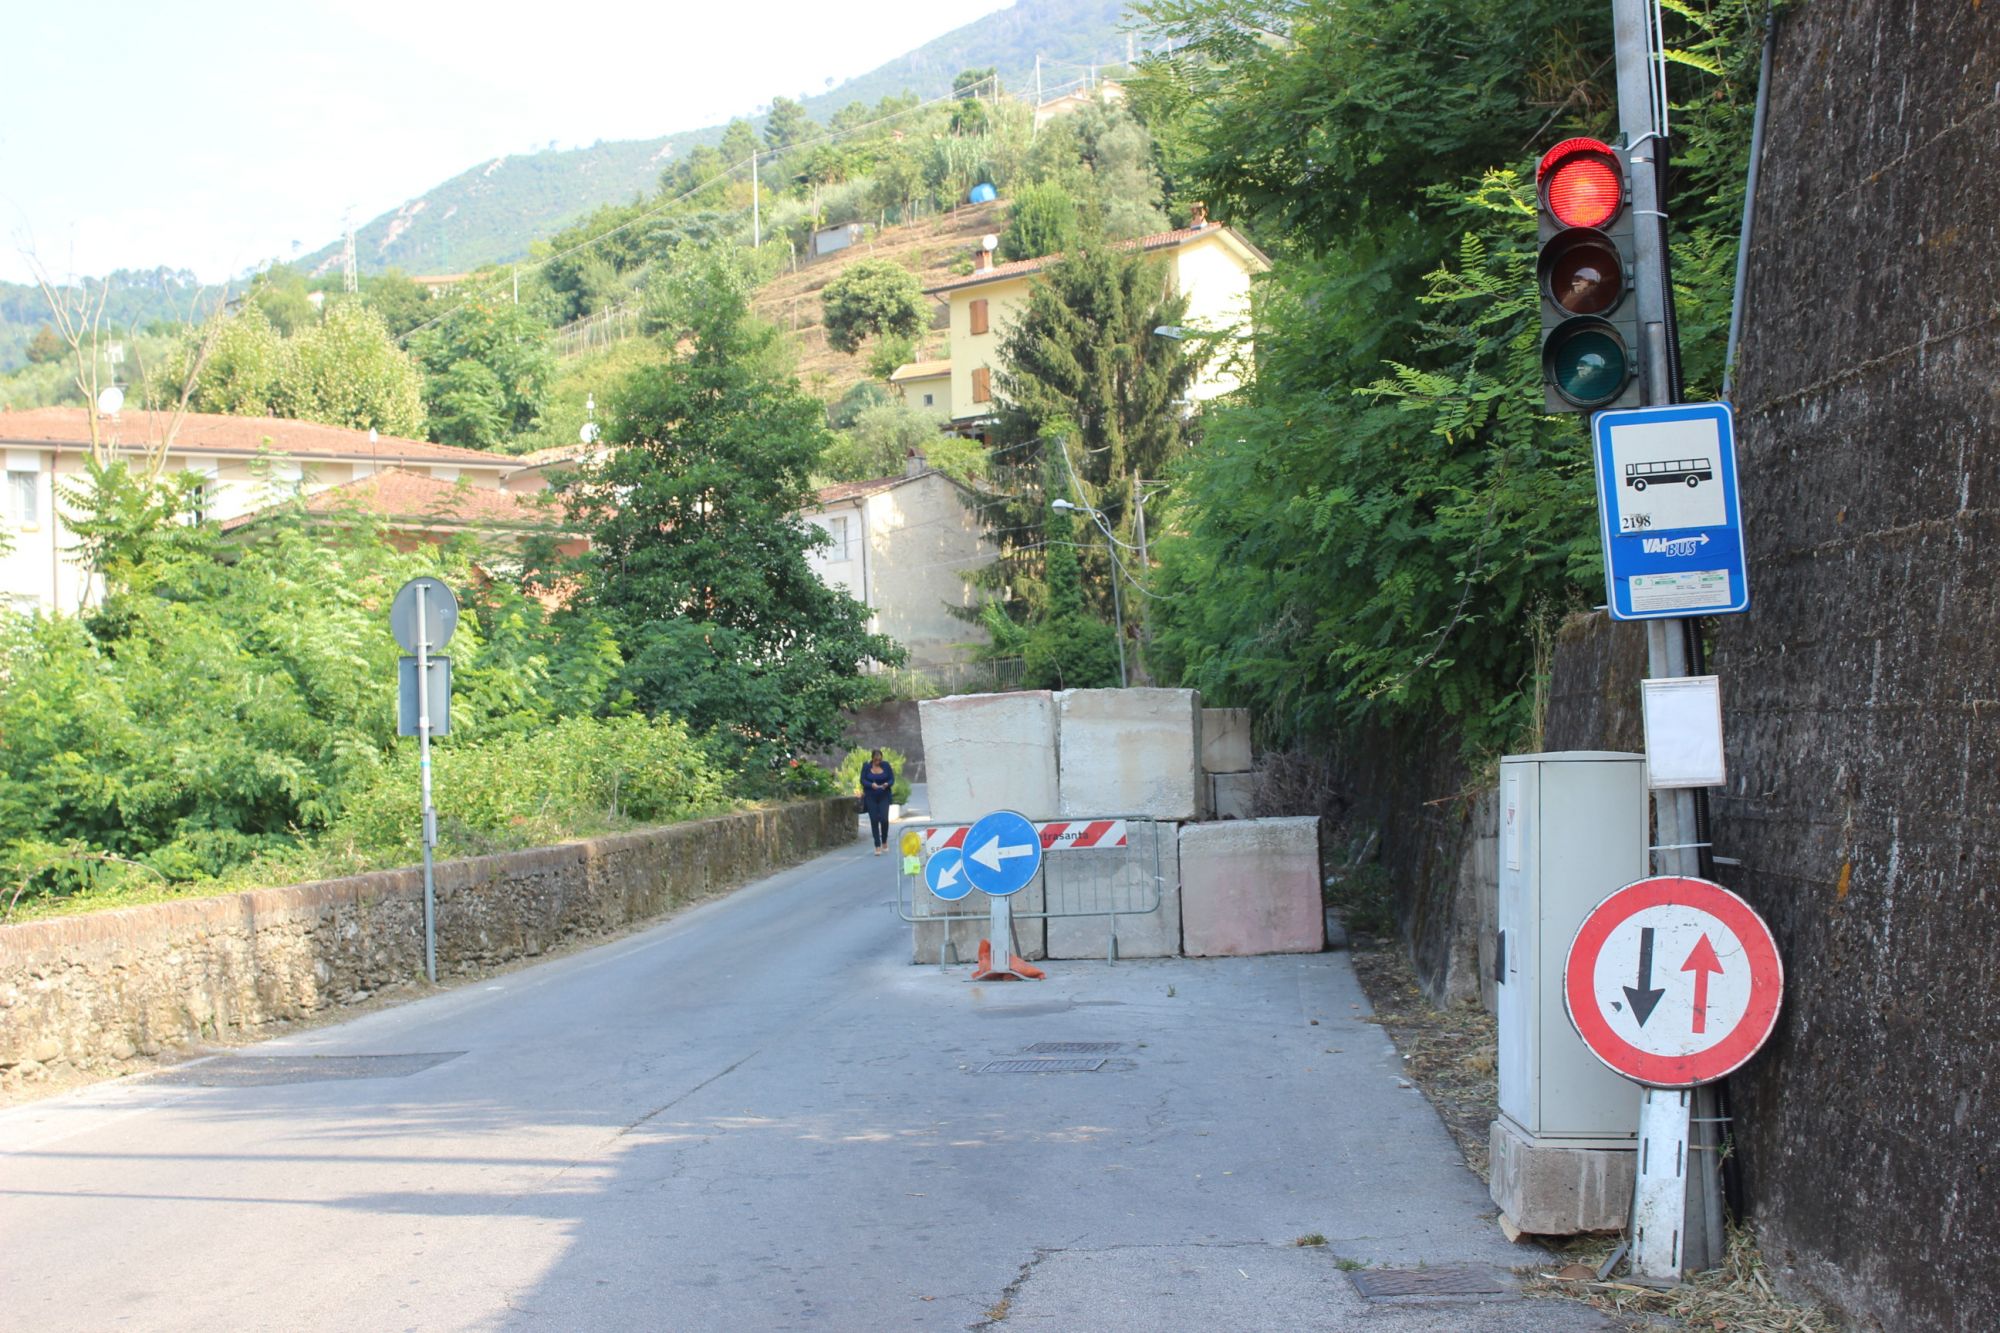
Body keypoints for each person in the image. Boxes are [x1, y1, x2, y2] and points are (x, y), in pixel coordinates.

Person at [859, 749, 896, 854]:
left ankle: (884, 841)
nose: (878, 762)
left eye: (879, 760)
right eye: (876, 760)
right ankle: (877, 845)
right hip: (871, 796)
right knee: (874, 819)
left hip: (884, 795)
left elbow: (892, 779)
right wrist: (871, 785)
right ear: (872, 759)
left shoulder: (886, 766)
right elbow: (862, 780)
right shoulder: (866, 767)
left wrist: (886, 784)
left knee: (884, 819)